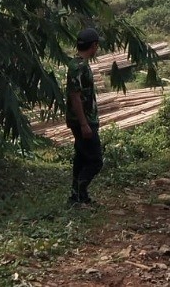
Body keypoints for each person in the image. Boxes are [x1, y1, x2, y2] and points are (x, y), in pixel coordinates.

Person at [66, 27, 104, 207]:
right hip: (84, 120)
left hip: (83, 119)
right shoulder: (78, 67)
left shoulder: (78, 64)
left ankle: (77, 196)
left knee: (81, 157)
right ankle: (80, 194)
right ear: (94, 45)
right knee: (96, 160)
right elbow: (75, 96)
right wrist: (84, 124)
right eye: (97, 45)